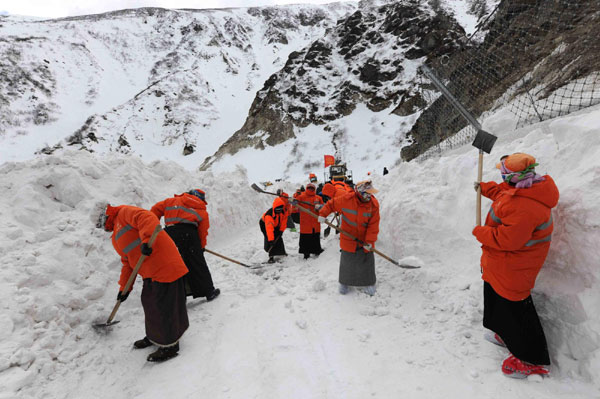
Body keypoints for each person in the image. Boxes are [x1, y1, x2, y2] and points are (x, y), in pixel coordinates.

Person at [473, 152, 559, 379]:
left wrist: (481, 233)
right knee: (497, 301)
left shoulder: (526, 206)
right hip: (502, 264)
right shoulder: (523, 188)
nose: (502, 179)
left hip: (514, 266)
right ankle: (506, 335)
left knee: (515, 310)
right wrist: (486, 188)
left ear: (514, 177)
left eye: (503, 175)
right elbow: (504, 195)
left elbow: (508, 239)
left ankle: (532, 359)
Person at [92, 203, 189, 362]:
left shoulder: (124, 213)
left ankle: (170, 345)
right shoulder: (116, 235)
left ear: (104, 217)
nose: (101, 228)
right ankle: (155, 336)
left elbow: (147, 218)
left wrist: (146, 240)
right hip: (150, 272)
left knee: (163, 305)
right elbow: (127, 262)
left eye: (99, 224)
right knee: (150, 304)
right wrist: (124, 289)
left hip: (164, 264)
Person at [150, 189, 220, 302]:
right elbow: (203, 231)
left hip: (169, 234)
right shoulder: (201, 209)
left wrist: (154, 227)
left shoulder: (170, 201)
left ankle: (179, 298)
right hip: (190, 235)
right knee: (197, 263)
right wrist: (201, 247)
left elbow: (154, 211)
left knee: (174, 265)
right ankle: (209, 292)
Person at [318, 180, 380, 295]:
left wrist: (370, 241)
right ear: (359, 193)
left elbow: (373, 225)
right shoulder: (347, 199)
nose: (369, 196)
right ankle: (344, 284)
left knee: (367, 260)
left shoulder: (373, 205)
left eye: (370, 193)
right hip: (348, 236)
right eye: (367, 193)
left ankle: (368, 284)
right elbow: (331, 204)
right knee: (347, 262)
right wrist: (322, 214)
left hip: (365, 237)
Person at [295, 183, 324, 259]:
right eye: (309, 188)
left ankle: (317, 250)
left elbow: (324, 208)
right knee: (305, 238)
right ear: (307, 188)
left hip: (315, 221)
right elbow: (294, 203)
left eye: (312, 188)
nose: (311, 189)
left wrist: (320, 207)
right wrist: (292, 200)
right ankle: (306, 253)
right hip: (305, 222)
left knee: (315, 237)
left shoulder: (318, 198)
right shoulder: (301, 197)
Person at [260, 194, 289, 263]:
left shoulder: (284, 212)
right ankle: (270, 257)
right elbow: (269, 229)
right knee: (269, 239)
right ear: (274, 208)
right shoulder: (269, 215)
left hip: (276, 224)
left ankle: (281, 252)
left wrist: (281, 231)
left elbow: (284, 222)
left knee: (278, 237)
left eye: (280, 210)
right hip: (265, 225)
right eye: (277, 210)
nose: (279, 211)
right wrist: (271, 240)